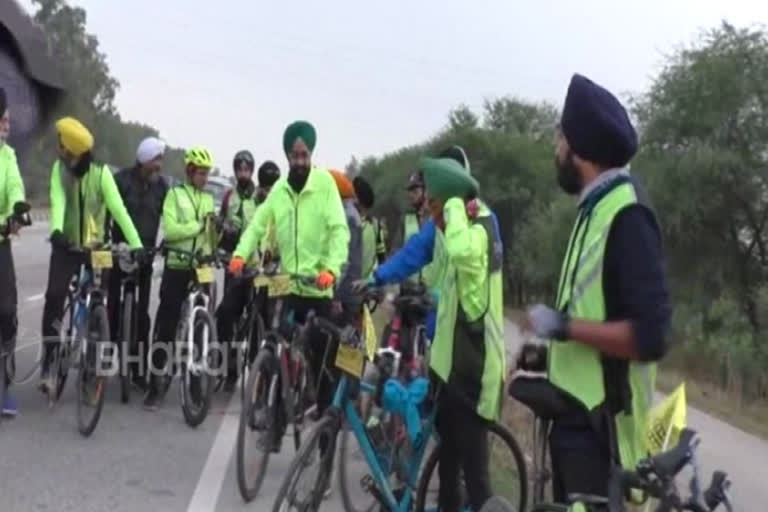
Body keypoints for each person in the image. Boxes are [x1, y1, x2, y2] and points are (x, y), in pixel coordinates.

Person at [522, 73, 671, 502]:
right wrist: (547, 350)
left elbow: (650, 336)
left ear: (579, 150)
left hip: (604, 433)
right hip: (574, 422)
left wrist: (564, 328)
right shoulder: (594, 208)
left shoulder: (628, 216)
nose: (556, 149)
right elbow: (596, 308)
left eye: (560, 139)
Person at [228, 120, 349, 454]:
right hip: (289, 287)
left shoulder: (324, 185)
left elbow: (340, 231)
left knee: (324, 374)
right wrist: (240, 255)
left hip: (319, 290)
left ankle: (325, 452)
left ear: (310, 154)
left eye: (303, 155)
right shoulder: (279, 191)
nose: (298, 161)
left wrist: (331, 269)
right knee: (277, 348)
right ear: (286, 157)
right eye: (293, 156)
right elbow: (256, 225)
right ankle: (277, 425)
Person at [420, 156, 506, 512]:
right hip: (452, 375)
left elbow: (459, 248)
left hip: (474, 376)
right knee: (448, 473)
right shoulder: (464, 227)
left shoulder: (479, 233)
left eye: (434, 204)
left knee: (477, 480)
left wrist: (452, 204)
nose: (430, 214)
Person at [40, 117, 144, 394]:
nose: (59, 151)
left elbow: (119, 210)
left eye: (62, 147)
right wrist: (57, 231)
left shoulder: (102, 175)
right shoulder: (59, 171)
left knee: (102, 298)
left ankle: (95, 353)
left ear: (73, 152)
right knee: (54, 296)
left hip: (97, 249)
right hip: (67, 247)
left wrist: (136, 245)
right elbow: (58, 201)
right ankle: (50, 362)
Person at [145, 146, 215, 410]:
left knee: (202, 331)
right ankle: (155, 385)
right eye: (201, 173)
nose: (205, 178)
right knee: (166, 325)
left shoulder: (208, 200)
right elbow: (172, 231)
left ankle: (196, 386)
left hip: (200, 267)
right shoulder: (174, 195)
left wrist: (214, 248)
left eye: (207, 173)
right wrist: (197, 226)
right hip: (176, 265)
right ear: (189, 171)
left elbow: (209, 237)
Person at [214, 158, 280, 392]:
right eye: (266, 188)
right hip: (244, 270)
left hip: (267, 275)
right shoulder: (249, 202)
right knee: (226, 312)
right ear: (260, 186)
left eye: (274, 188)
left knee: (263, 324)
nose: (270, 192)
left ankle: (258, 376)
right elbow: (247, 234)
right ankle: (225, 366)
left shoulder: (281, 207)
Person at [107, 136, 168, 391]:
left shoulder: (162, 186)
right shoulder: (121, 181)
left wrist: (167, 242)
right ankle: (102, 358)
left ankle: (138, 371)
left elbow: (170, 216)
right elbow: (107, 210)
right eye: (156, 160)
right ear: (144, 160)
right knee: (111, 307)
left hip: (146, 255)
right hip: (119, 253)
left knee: (142, 315)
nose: (159, 166)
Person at [0, 87, 26, 416]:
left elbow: (15, 185)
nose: (7, 126)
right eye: (2, 120)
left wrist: (17, 210)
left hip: (1, 243)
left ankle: (4, 385)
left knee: (6, 312)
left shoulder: (8, 155)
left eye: (7, 120)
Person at [329, 169, 362, 323]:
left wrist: (336, 296)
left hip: (345, 294)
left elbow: (345, 260)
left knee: (339, 343)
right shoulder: (349, 212)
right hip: (348, 291)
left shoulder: (346, 216)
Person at [218, 150, 257, 255]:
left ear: (251, 171)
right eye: (239, 170)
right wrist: (224, 226)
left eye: (246, 170)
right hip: (229, 256)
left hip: (250, 257)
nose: (243, 174)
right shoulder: (229, 195)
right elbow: (220, 220)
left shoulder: (257, 197)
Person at [352, 175, 387, 281]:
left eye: (353, 197)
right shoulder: (344, 223)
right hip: (347, 287)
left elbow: (381, 256)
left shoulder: (375, 225)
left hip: (367, 287)